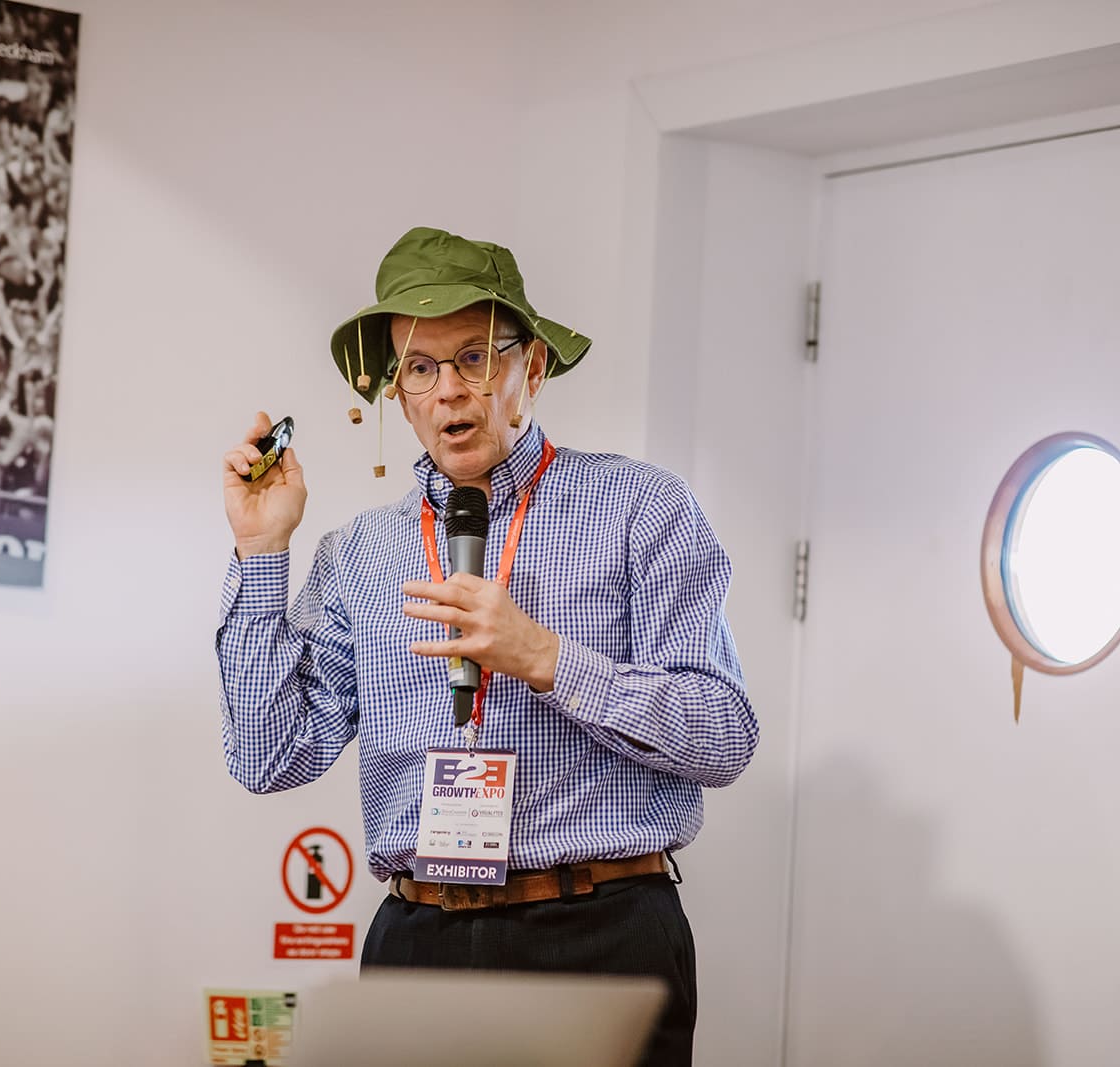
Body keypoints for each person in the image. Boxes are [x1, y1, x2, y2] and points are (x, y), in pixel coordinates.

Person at [216, 226, 757, 1066]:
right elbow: (266, 756)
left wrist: (547, 659)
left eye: (474, 357)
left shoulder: (640, 507)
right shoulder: (358, 553)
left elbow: (723, 734)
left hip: (599, 934)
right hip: (418, 940)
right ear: (396, 395)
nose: (449, 392)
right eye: (419, 368)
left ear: (530, 368)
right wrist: (260, 552)